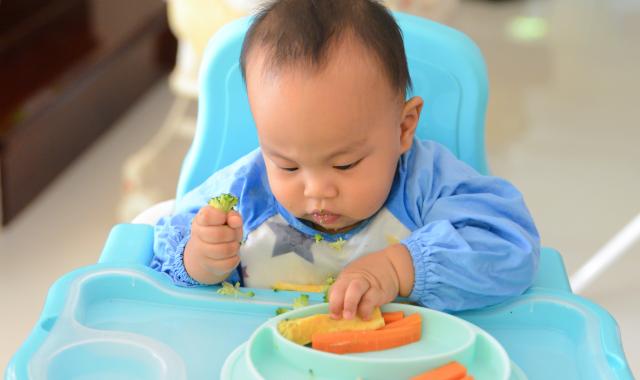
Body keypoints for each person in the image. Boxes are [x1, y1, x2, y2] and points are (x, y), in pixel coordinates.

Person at [151, 0, 540, 321]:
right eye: (287, 165)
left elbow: (510, 246)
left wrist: (399, 268)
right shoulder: (244, 194)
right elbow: (164, 246)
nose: (317, 189)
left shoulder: (428, 183)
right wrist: (201, 259)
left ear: (403, 129)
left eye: (345, 164)